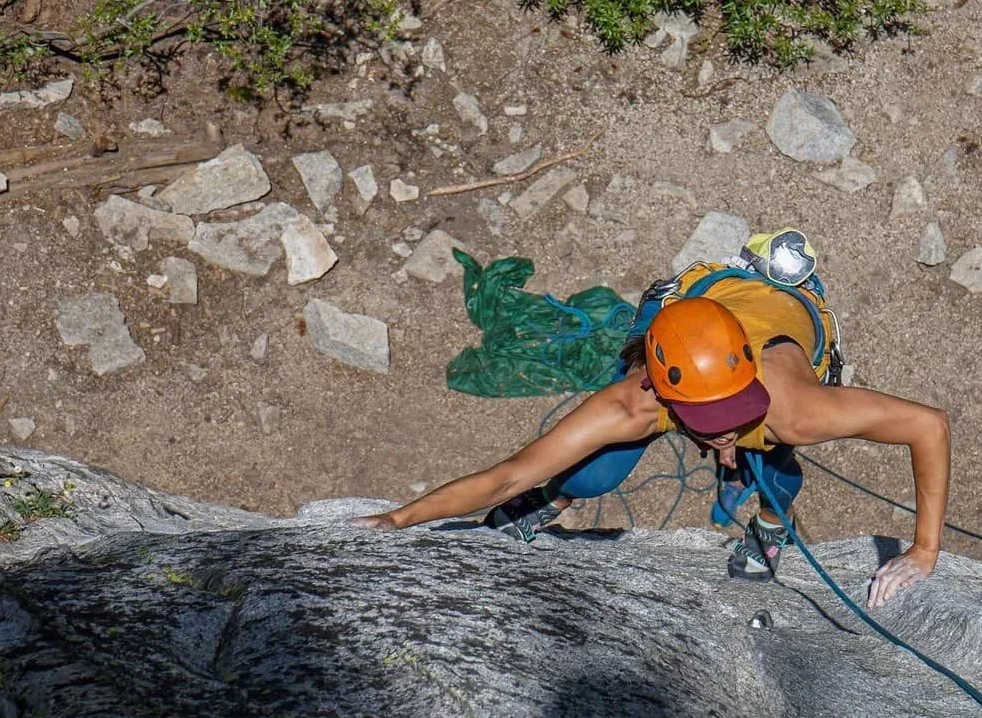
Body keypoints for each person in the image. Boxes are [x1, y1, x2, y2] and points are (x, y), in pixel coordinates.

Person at [350, 231, 951, 609]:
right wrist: (400, 519)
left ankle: (770, 524)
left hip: (768, 322)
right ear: (662, 399)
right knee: (589, 475)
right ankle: (557, 501)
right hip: (694, 319)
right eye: (709, 420)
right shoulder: (634, 405)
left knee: (772, 472)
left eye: (733, 414)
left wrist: (923, 551)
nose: (724, 430)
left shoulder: (794, 409)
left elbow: (929, 426)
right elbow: (508, 477)